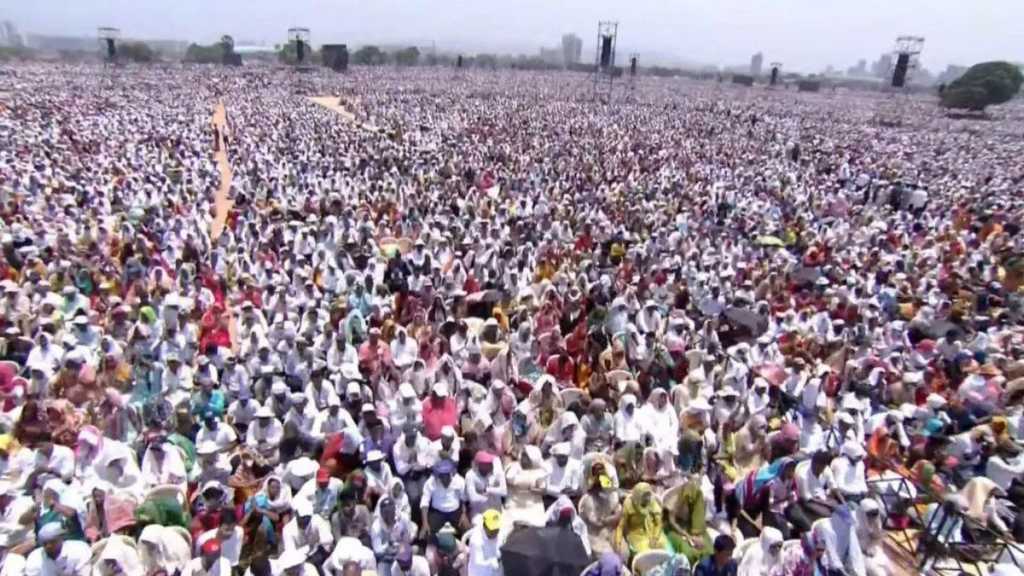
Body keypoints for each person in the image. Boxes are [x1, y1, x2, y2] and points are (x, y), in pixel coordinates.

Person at [665, 477, 712, 565]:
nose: (690, 501)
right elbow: (672, 522)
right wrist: (688, 536)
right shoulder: (674, 500)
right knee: (689, 553)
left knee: (709, 548)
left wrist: (698, 535)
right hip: (676, 528)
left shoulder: (698, 498)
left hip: (691, 525)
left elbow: (699, 519)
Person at [578, 466, 623, 557]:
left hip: (612, 530)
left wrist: (614, 518)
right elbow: (596, 523)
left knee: (623, 552)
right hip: (595, 534)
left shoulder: (612, 494)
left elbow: (618, 512)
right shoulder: (588, 500)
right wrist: (610, 519)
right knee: (608, 555)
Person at [615, 482, 667, 559]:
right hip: (637, 534)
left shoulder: (652, 501)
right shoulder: (628, 505)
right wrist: (618, 543)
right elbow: (620, 526)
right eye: (644, 496)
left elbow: (658, 523)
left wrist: (655, 538)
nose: (647, 498)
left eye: (648, 495)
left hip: (652, 530)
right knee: (646, 555)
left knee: (662, 548)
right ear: (638, 497)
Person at [419, 459, 467, 541]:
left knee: (467, 528)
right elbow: (424, 503)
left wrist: (464, 514)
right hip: (437, 513)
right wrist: (425, 523)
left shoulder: (459, 481)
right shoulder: (430, 482)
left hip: (455, 512)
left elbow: (463, 499)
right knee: (426, 534)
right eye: (442, 476)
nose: (445, 479)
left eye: (447, 476)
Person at [24, 523, 91, 576]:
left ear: (61, 538)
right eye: (45, 543)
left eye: (52, 542)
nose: (48, 546)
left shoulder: (78, 549)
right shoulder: (35, 558)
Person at [465, 508, 503, 576]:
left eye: (497, 529)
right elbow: (479, 563)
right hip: (480, 572)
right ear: (485, 526)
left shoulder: (499, 533)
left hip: (496, 571)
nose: (495, 532)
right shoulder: (476, 540)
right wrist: (494, 561)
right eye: (492, 530)